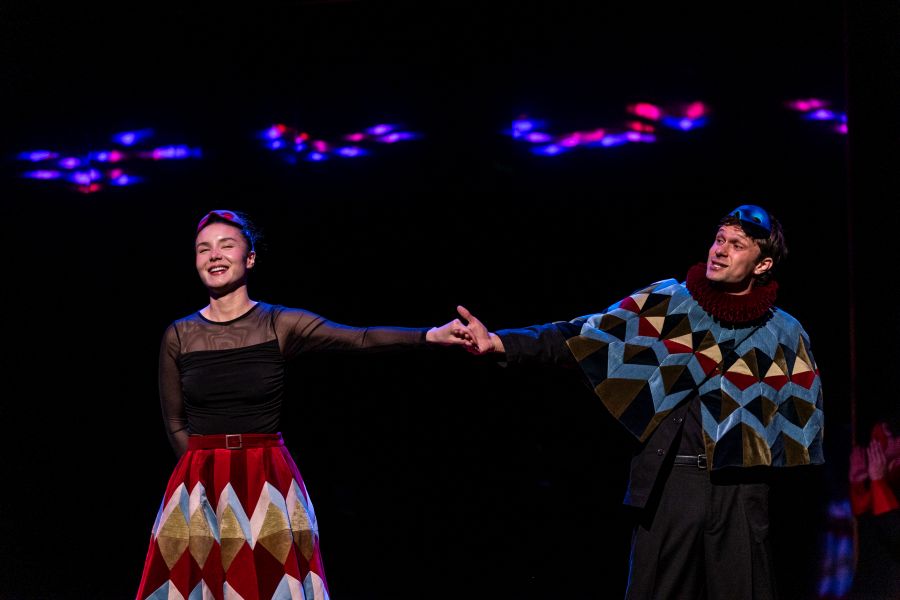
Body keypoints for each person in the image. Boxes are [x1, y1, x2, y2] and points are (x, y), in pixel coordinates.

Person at [457, 204, 824, 599]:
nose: (720, 250)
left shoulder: (783, 332)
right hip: (673, 481)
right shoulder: (668, 303)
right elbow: (582, 337)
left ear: (762, 264)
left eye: (736, 245)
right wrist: (499, 342)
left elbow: (800, 424)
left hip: (740, 488)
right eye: (719, 239)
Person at [136, 209, 473, 600]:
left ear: (250, 258)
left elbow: (359, 338)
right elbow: (175, 421)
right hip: (200, 481)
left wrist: (428, 336)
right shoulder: (179, 334)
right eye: (203, 249)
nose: (214, 255)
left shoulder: (280, 323)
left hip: (267, 477)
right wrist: (201, 478)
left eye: (226, 246)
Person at [847, 417, 900, 599]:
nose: (877, 442)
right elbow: (868, 528)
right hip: (870, 584)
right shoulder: (887, 474)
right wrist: (859, 484)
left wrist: (878, 482)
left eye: (888, 435)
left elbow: (895, 535)